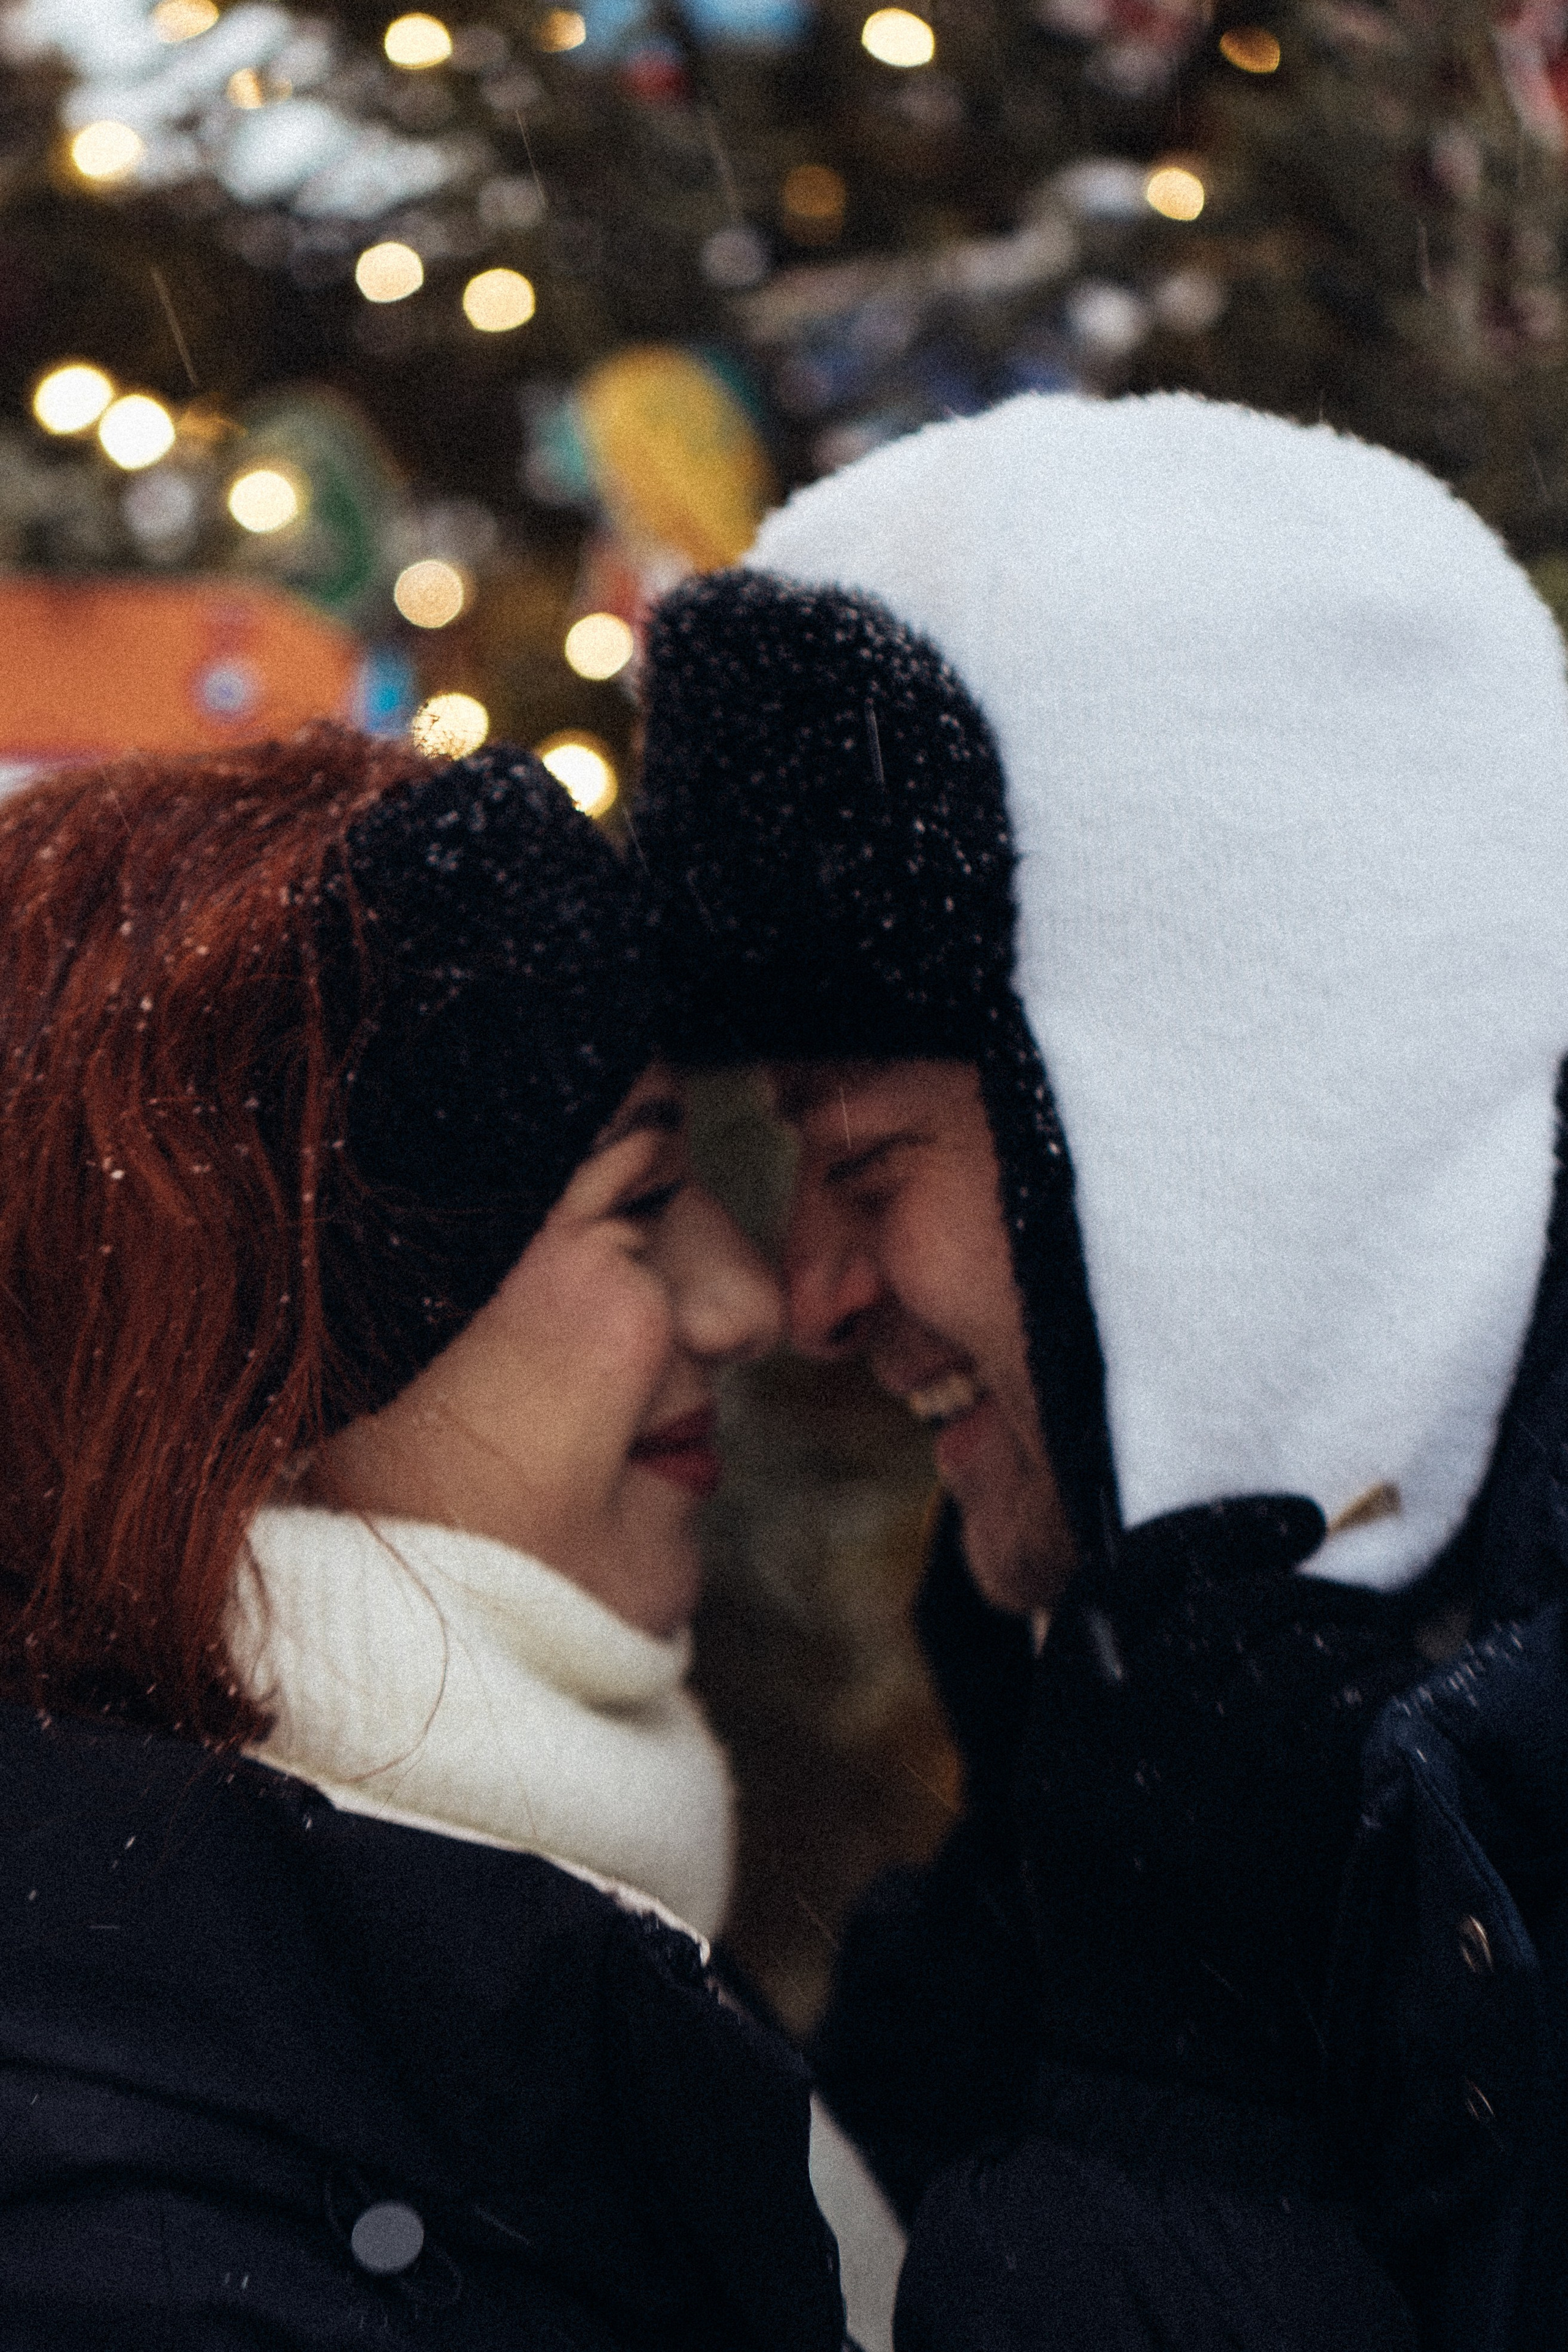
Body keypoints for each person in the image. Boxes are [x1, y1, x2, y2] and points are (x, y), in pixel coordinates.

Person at [635, 393, 1568, 2351]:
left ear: (1208, 1127)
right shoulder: (1140, 1715)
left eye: (867, 1163)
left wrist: (1185, 2120)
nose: (806, 1291)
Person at [0, 723, 852, 2349]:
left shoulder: (500, 1965)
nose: (752, 1300)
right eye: (642, 1199)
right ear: (260, 1360)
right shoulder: (116, 2259)